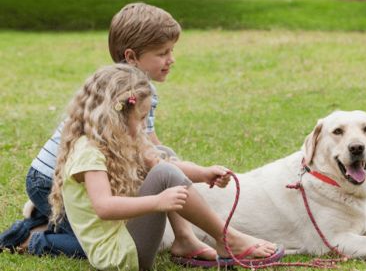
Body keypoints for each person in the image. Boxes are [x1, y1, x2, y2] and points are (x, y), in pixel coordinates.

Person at [0, 3, 236, 262]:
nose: (171, 59)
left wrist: (199, 173)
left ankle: (184, 236)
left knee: (163, 156)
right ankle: (34, 235)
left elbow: (154, 153)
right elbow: (149, 161)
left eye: (172, 50)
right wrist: (177, 184)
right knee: (96, 244)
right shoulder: (120, 95)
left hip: (89, 178)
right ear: (132, 57)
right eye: (162, 52)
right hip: (48, 180)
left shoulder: (138, 91)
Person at [50, 64, 283, 270]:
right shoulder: (88, 151)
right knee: (163, 172)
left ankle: (185, 241)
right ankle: (227, 237)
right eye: (141, 119)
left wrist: (203, 173)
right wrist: (158, 202)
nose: (143, 126)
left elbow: (163, 163)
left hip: (128, 236)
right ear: (116, 117)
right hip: (118, 256)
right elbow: (104, 207)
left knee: (163, 158)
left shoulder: (115, 140)